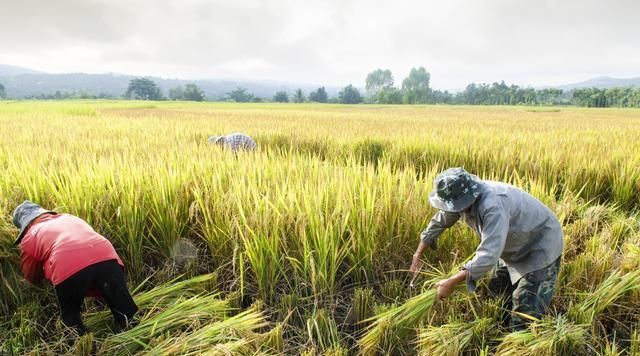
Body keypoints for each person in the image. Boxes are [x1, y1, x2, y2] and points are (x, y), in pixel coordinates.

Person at [409, 168, 563, 330]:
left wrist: (451, 282)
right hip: (511, 242)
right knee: (497, 294)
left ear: (465, 199)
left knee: (525, 309)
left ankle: (518, 341)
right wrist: (418, 254)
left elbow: (489, 253)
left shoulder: (492, 206)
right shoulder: (460, 200)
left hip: (539, 244)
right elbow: (439, 222)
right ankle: (500, 331)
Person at [13, 200, 138, 335]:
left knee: (71, 321)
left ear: (25, 225)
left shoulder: (30, 235)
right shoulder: (69, 217)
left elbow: (32, 276)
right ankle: (139, 339)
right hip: (106, 255)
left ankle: (81, 345)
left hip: (67, 263)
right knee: (127, 314)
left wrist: (47, 272)